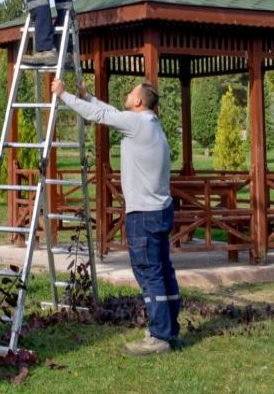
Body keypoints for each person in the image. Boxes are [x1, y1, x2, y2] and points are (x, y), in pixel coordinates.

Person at [51, 77, 180, 355]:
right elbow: (109, 113)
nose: (128, 92)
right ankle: (170, 329)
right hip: (159, 210)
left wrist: (63, 95)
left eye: (132, 91)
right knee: (163, 270)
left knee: (149, 273)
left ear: (138, 101)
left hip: (144, 214)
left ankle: (159, 336)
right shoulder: (150, 125)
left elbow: (101, 116)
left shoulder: (136, 124)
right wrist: (87, 97)